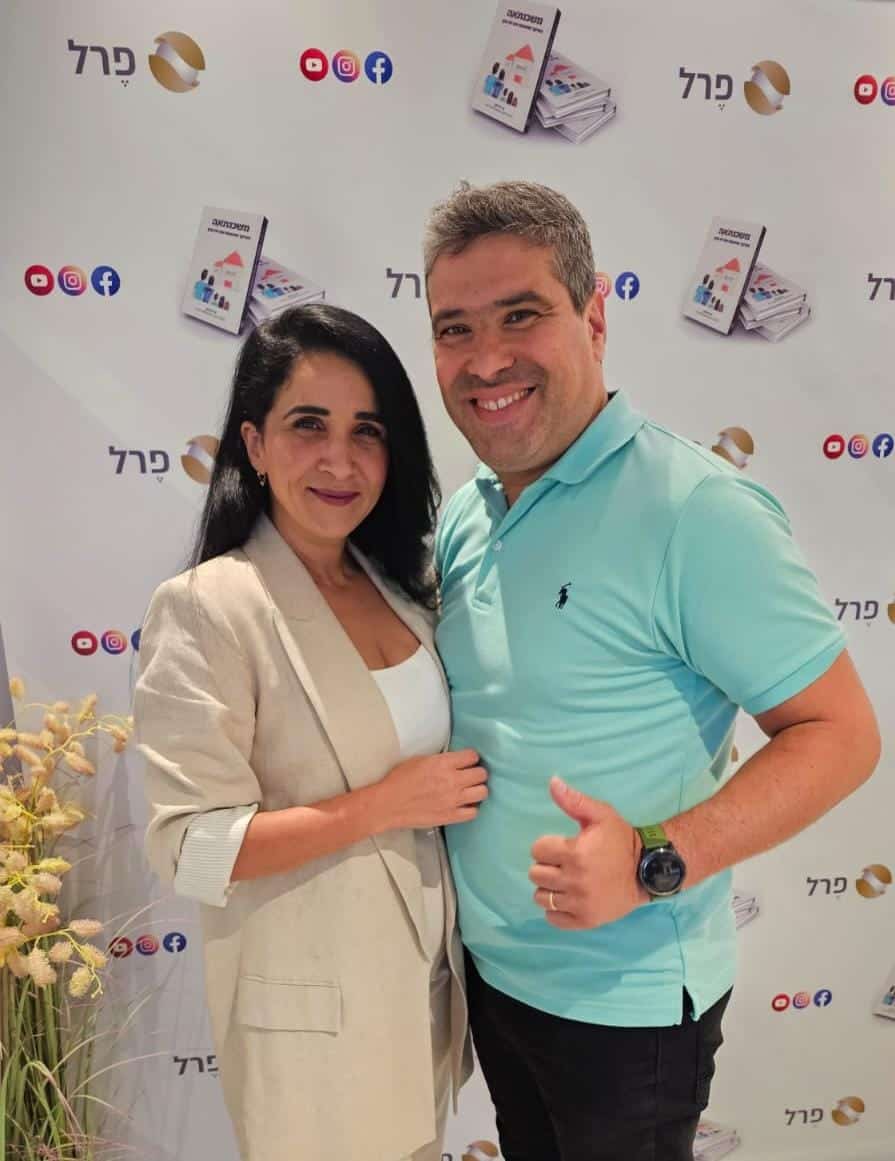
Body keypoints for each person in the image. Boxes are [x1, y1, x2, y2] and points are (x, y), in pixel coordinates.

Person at [422, 181, 880, 1161]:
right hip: (493, 981)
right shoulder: (467, 511)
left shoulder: (694, 511)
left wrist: (650, 859)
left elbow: (840, 735)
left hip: (623, 1011)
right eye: (455, 329)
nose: (486, 360)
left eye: (520, 315)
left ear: (593, 318)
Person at [134, 304, 482, 1161]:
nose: (340, 459)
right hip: (311, 1029)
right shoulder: (210, 607)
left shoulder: (402, 587)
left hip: (421, 1000)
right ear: (253, 444)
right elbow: (191, 851)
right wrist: (381, 805)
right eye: (308, 425)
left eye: (367, 430)